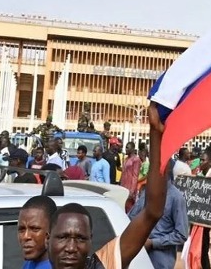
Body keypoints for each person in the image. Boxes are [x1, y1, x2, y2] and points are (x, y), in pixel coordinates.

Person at [47, 101, 167, 269]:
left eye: (81, 238)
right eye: (63, 237)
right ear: (48, 239)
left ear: (91, 241)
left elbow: (153, 212)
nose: (71, 248)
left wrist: (157, 134)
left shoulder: (102, 265)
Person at [128, 160, 189, 269]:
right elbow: (130, 217)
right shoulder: (147, 192)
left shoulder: (176, 198)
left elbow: (181, 234)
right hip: (139, 255)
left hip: (161, 260)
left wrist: (153, 243)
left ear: (167, 170)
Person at [18, 195, 58, 269]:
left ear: (51, 230)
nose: (25, 236)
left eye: (34, 229)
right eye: (22, 229)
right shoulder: (30, 262)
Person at [121, 142, 142, 211]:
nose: (126, 149)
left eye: (127, 147)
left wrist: (132, 191)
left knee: (129, 209)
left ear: (132, 149)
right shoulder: (126, 159)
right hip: (123, 187)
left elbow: (135, 176)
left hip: (130, 188)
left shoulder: (136, 160)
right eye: (125, 147)